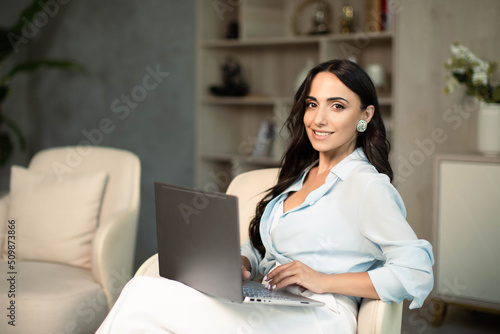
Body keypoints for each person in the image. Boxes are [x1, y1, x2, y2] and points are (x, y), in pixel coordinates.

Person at [96, 59, 434, 333]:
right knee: (146, 292)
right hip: (270, 303)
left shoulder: (366, 186)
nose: (318, 118)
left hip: (318, 317)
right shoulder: (299, 178)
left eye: (337, 106)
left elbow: (416, 271)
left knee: (143, 298)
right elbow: (266, 248)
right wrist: (243, 261)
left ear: (365, 115)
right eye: (312, 104)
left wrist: (322, 280)